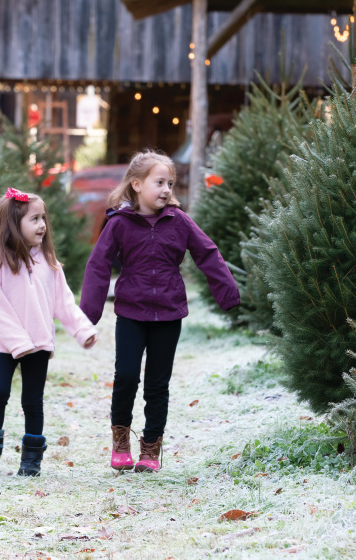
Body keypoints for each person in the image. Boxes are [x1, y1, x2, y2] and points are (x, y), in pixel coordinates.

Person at [80, 151, 240, 473]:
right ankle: (121, 440)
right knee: (126, 376)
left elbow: (207, 252)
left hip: (168, 313)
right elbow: (98, 265)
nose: (166, 189)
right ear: (137, 184)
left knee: (157, 383)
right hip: (130, 313)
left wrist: (228, 294)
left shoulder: (178, 221)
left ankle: (151, 448)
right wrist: (88, 314)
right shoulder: (119, 223)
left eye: (170, 183)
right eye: (159, 182)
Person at [0, 187, 97, 476]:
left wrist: (82, 330)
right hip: (4, 344)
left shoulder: (49, 263)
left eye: (44, 218)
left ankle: (31, 461)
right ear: (14, 226)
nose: (42, 225)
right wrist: (18, 342)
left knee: (32, 401)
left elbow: (64, 302)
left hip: (38, 343)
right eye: (34, 219)